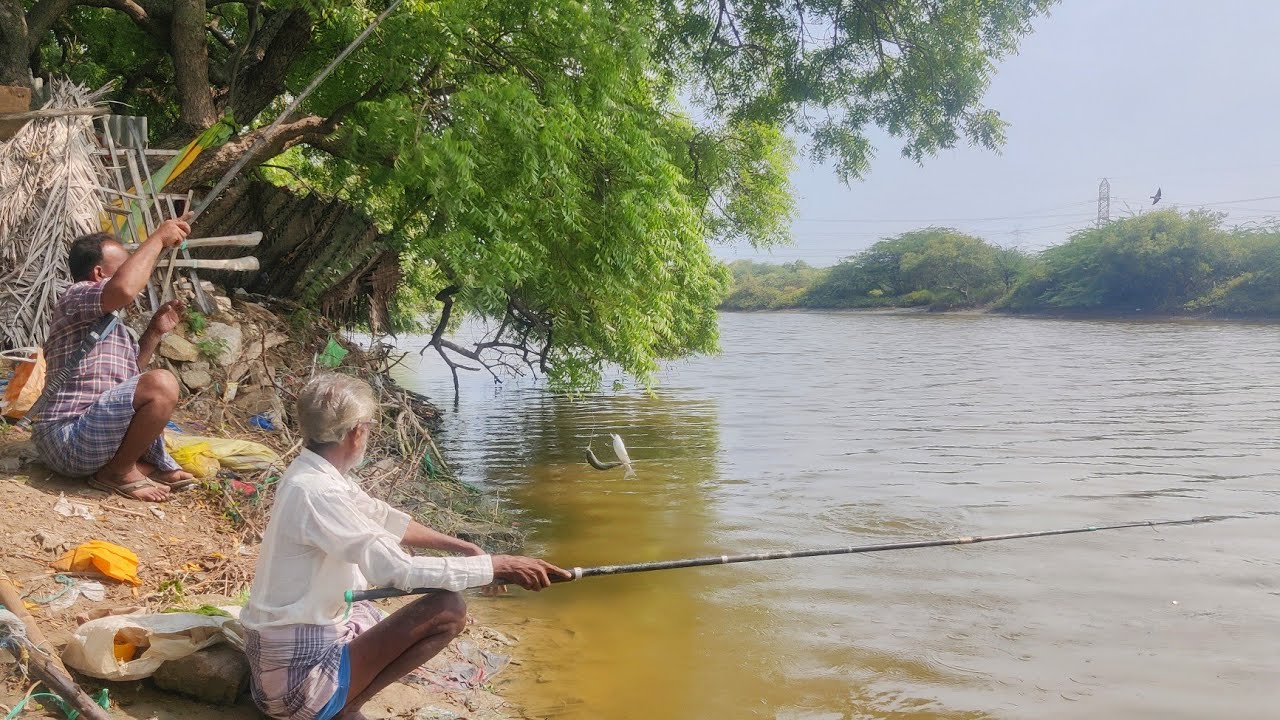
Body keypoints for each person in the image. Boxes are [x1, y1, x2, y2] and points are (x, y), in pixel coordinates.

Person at [241, 374, 569, 720]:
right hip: (294, 686)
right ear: (356, 433)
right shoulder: (318, 492)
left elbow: (384, 519)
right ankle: (342, 708)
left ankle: (342, 701)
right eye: (367, 428)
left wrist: (466, 548)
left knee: (371, 611)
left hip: (285, 658)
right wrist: (496, 566)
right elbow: (398, 571)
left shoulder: (314, 475)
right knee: (448, 608)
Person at [31, 216, 197, 502]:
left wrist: (154, 332)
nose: (134, 272)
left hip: (93, 434)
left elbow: (131, 382)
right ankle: (117, 473)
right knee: (163, 382)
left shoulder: (114, 325)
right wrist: (158, 238)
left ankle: (130, 467)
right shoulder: (76, 297)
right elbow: (123, 288)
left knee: (153, 386)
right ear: (98, 273)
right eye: (123, 267)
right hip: (67, 437)